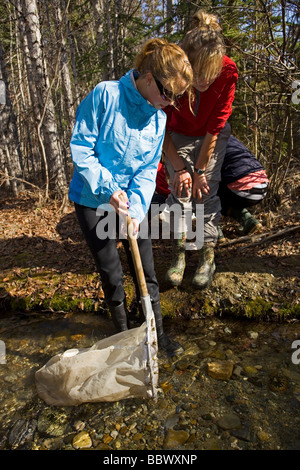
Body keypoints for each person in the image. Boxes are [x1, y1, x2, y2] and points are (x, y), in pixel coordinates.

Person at [68, 38, 193, 356]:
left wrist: (136, 212)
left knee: (147, 273)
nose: (170, 102)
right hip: (93, 199)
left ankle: (156, 335)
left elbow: (149, 171)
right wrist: (108, 190)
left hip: (133, 204)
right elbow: (82, 148)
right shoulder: (105, 95)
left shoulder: (159, 119)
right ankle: (123, 341)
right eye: (168, 94)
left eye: (176, 97)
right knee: (111, 274)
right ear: (149, 77)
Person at [162, 9, 238, 289]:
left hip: (209, 135)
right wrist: (181, 169)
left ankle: (207, 256)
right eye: (198, 74)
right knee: (180, 192)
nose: (203, 82)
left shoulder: (229, 71)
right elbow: (160, 127)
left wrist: (201, 171)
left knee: (205, 193)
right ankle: (179, 256)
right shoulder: (170, 72)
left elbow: (216, 125)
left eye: (210, 74)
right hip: (176, 134)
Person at [217, 135, 269, 241]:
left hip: (243, 188)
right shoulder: (229, 136)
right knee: (222, 196)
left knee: (199, 189)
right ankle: (250, 222)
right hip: (262, 185)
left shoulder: (203, 141)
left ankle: (213, 234)